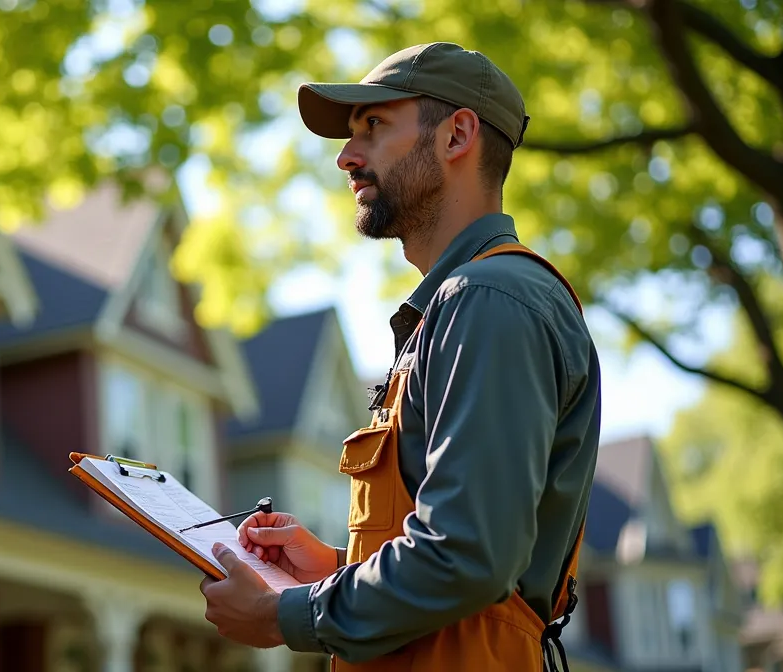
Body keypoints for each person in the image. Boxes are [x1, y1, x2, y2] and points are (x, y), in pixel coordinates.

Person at [198, 42, 603, 672]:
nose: (346, 157)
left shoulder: (489, 300)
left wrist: (285, 615)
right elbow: (469, 557)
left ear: (457, 135)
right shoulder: (467, 302)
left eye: (374, 126)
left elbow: (469, 555)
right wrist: (336, 567)